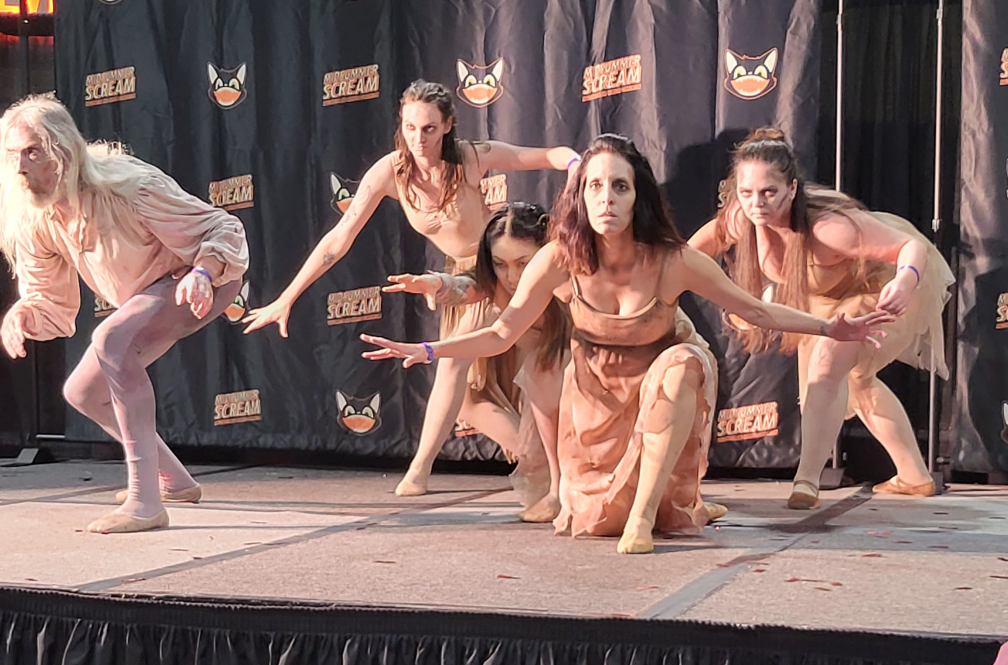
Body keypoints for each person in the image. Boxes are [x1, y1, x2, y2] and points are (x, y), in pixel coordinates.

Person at [360, 134, 891, 554]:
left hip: (665, 374)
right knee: (592, 521)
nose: (606, 199)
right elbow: (503, 331)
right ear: (579, 195)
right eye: (594, 186)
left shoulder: (669, 258)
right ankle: (673, 503)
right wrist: (428, 352)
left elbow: (752, 308)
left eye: (619, 187)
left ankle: (644, 514)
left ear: (637, 196)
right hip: (596, 398)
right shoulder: (558, 259)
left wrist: (830, 329)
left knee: (683, 365)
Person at [244, 80, 579, 497]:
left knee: (486, 368)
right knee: (470, 401)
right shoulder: (390, 172)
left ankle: (422, 471)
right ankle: (541, 463)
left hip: (495, 272)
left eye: (429, 129)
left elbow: (547, 155)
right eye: (410, 127)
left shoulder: (470, 157)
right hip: (457, 280)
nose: (418, 139)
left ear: (448, 127)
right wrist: (287, 297)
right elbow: (338, 239)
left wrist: (577, 166)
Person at [0, 94, 248, 533]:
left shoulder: (127, 185)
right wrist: (23, 313)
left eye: (32, 152)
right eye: (12, 154)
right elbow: (50, 299)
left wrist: (204, 274)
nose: (20, 168)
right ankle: (174, 480)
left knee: (112, 340)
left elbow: (223, 227)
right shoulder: (35, 217)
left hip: (201, 277)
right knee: (82, 392)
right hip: (150, 292)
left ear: (61, 151)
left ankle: (145, 503)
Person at [688, 128, 954, 510]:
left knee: (829, 363)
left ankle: (806, 481)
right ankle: (914, 476)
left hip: (882, 286)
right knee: (857, 378)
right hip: (827, 301)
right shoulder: (741, 216)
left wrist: (905, 280)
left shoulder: (829, 228)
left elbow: (909, 247)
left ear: (792, 189)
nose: (756, 204)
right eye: (746, 193)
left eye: (769, 193)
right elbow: (687, 257)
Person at [383, 202, 568, 522]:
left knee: (545, 373)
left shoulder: (565, 273)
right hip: (525, 350)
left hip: (587, 366)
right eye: (500, 263)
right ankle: (423, 465)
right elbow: (465, 289)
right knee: (464, 380)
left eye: (523, 263)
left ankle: (564, 479)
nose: (512, 276)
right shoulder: (492, 284)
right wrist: (438, 284)